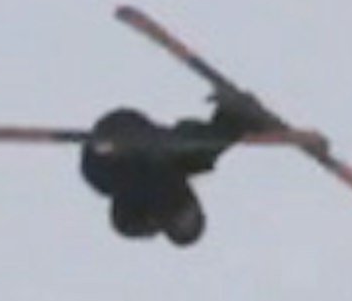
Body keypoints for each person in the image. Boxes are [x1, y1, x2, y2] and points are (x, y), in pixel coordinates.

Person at [79, 93, 273, 246]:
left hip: (118, 147)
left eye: (184, 219)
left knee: (185, 154)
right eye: (190, 216)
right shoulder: (175, 185)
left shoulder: (133, 199)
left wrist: (104, 148)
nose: (187, 213)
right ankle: (234, 118)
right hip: (140, 147)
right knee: (196, 155)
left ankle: (234, 118)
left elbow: (124, 223)